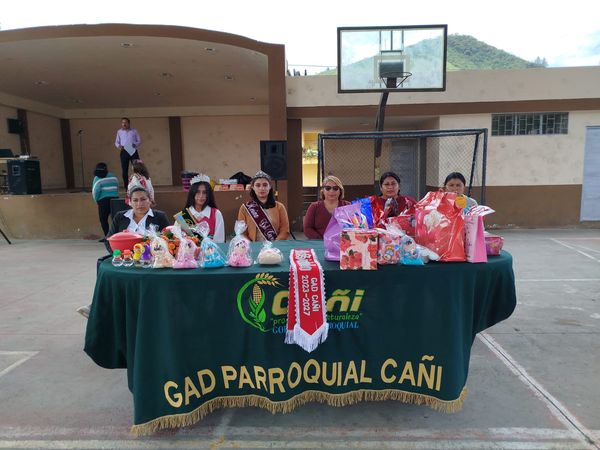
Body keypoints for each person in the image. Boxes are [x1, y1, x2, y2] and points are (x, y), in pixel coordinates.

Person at [77, 186, 169, 319]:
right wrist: (118, 254)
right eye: (135, 200)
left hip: (149, 260)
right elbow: (109, 239)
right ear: (129, 202)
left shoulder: (159, 217)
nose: (139, 204)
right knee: (104, 266)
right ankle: (97, 306)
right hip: (124, 258)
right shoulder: (120, 216)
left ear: (150, 200)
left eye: (143, 199)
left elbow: (167, 240)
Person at [237, 171, 289, 241]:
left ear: (270, 186)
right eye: (258, 185)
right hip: (253, 246)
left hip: (275, 245)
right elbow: (241, 232)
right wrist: (250, 245)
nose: (261, 188)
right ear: (253, 187)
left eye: (265, 185)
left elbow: (284, 230)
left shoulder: (280, 207)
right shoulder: (245, 208)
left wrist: (275, 244)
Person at [174, 174, 225, 243]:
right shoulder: (182, 216)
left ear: (208, 195)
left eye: (204, 192)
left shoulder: (216, 214)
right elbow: (176, 240)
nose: (201, 196)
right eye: (198, 192)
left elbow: (219, 242)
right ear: (192, 194)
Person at [303, 175, 350, 239]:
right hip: (319, 242)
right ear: (323, 191)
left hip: (343, 243)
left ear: (340, 191)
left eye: (335, 188)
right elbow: (307, 229)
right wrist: (323, 240)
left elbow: (354, 227)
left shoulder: (347, 206)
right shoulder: (314, 207)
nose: (331, 191)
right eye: (328, 188)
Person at [91, 162, 119, 242]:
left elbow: (95, 191)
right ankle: (117, 236)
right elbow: (117, 186)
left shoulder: (97, 178)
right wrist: (114, 194)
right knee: (115, 219)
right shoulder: (113, 176)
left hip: (103, 201)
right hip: (115, 200)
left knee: (103, 219)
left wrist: (96, 200)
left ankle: (107, 237)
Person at [115, 117, 141, 187]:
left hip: (133, 150)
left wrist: (135, 144)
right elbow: (116, 142)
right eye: (122, 123)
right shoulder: (119, 132)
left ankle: (138, 185)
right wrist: (119, 146)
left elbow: (139, 141)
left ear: (129, 123)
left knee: (137, 169)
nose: (124, 124)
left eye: (125, 122)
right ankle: (126, 187)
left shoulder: (134, 131)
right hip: (124, 151)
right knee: (124, 170)